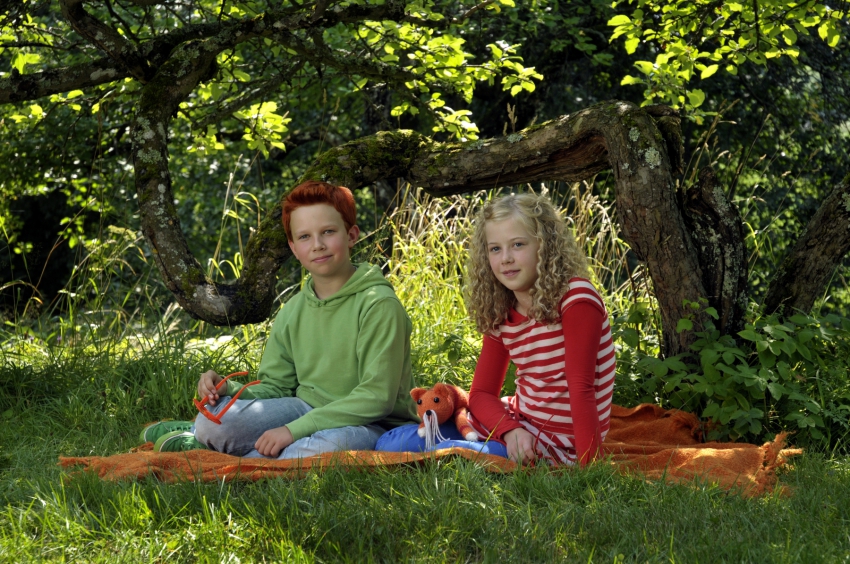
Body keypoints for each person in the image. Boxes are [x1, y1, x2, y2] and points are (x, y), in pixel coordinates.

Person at [141, 180, 419, 458]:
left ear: (351, 235)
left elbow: (376, 398)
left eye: (328, 232)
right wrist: (229, 388)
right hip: (304, 407)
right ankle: (206, 435)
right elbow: (277, 387)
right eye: (305, 237)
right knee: (214, 421)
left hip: (370, 423)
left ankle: (222, 454)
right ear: (293, 247)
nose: (318, 245)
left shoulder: (378, 304)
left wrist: (292, 430)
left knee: (329, 446)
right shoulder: (293, 310)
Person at [377, 193, 614, 466]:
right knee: (391, 442)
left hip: (557, 445)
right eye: (495, 249)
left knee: (426, 450)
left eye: (518, 244)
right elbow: (481, 394)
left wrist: (590, 467)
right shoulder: (503, 308)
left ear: (545, 246)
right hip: (518, 426)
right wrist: (510, 430)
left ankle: (461, 450)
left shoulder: (576, 299)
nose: (506, 259)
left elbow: (581, 387)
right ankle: (464, 446)